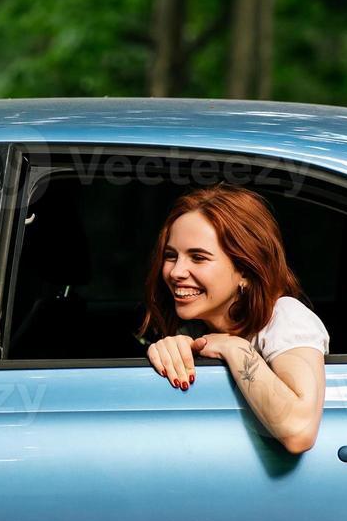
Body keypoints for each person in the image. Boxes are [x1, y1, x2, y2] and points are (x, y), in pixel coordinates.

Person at [139, 184, 328, 454]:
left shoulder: (286, 317)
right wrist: (168, 350)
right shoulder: (193, 329)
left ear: (246, 271)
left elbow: (299, 431)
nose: (176, 272)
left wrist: (235, 348)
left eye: (199, 257)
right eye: (171, 256)